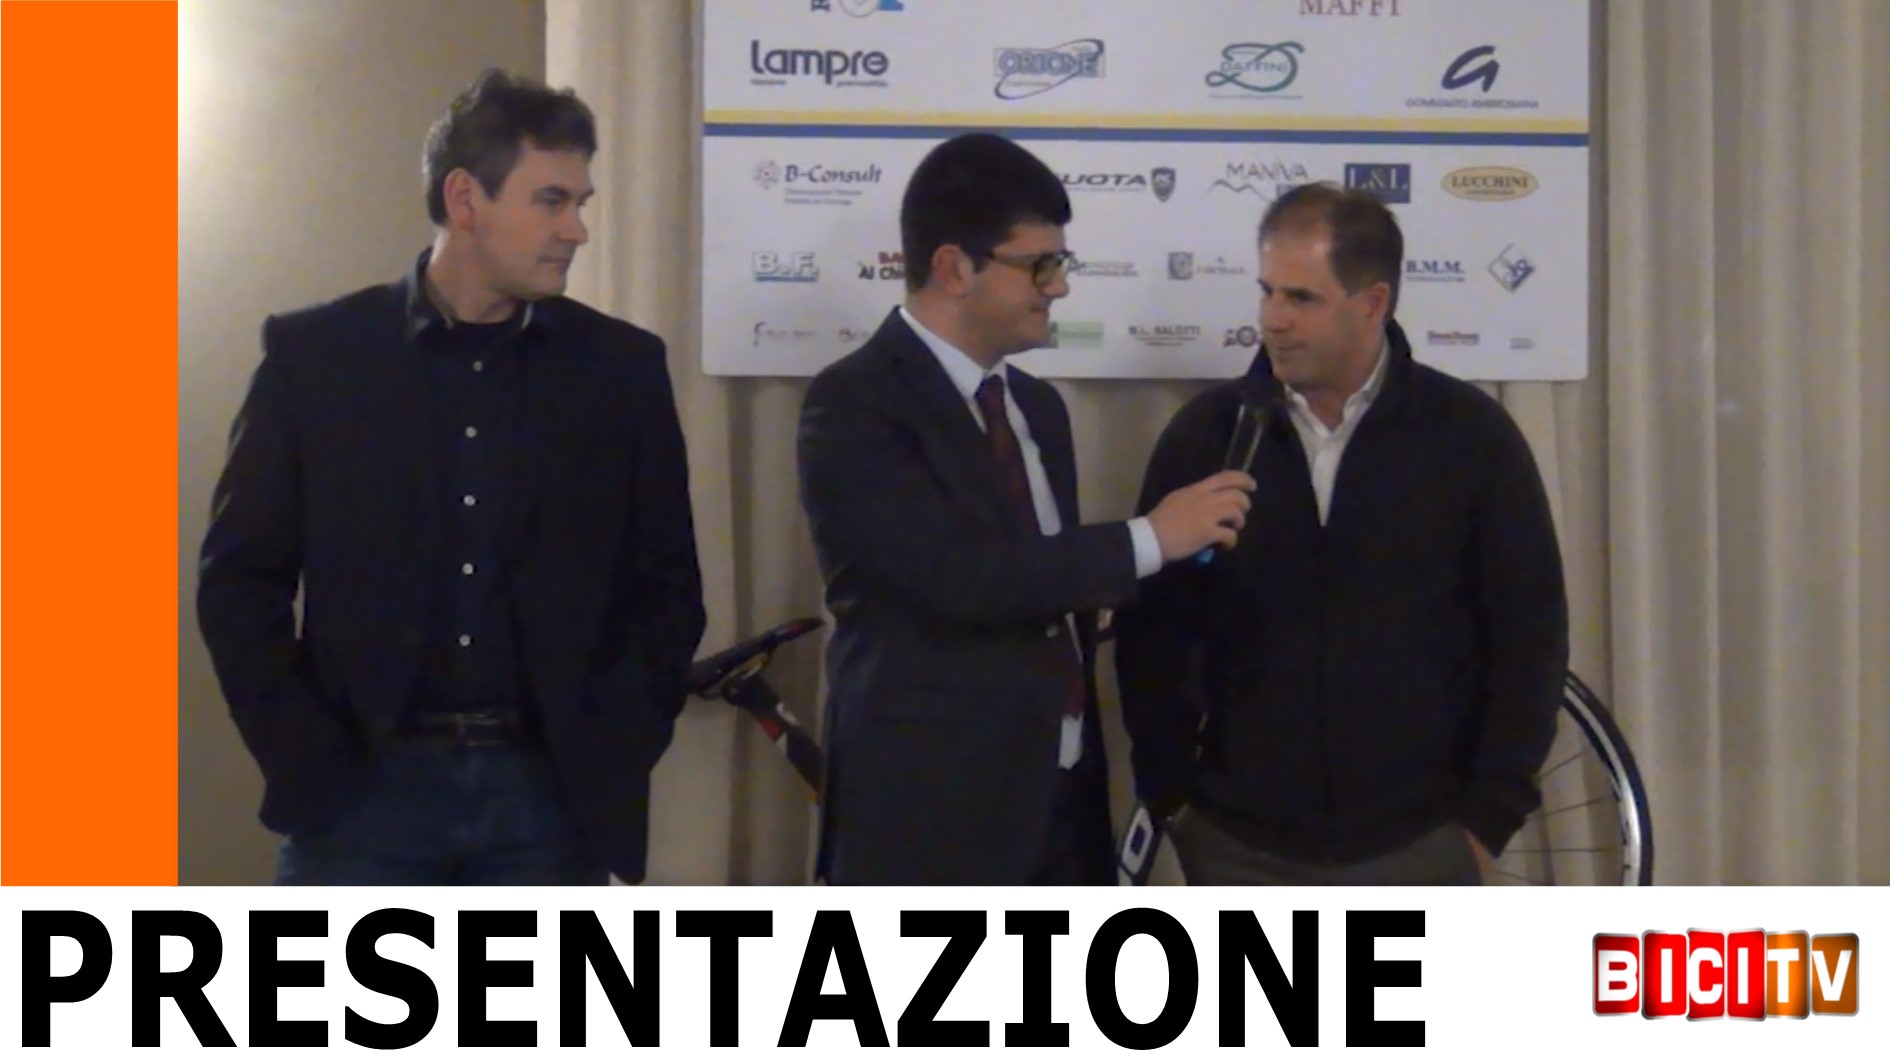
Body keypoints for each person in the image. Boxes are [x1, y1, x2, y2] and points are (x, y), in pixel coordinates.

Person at [196, 69, 705, 885]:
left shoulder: (621, 370)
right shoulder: (316, 358)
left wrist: (616, 738)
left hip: (548, 801)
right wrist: (302, 751)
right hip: (358, 796)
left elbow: (668, 586)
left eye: (581, 202)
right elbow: (238, 578)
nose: (576, 230)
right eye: (551, 201)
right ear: (465, 197)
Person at [796, 132, 1255, 885]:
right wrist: (1149, 539)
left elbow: (1049, 593)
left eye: (1062, 263)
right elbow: (958, 578)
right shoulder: (853, 403)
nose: (1060, 287)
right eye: (1039, 265)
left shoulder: (1039, 408)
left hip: (1063, 802)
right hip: (930, 817)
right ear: (954, 268)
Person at [1115, 182, 1568, 886]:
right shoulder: (1207, 436)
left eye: (1301, 298)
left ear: (1373, 303)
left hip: (1421, 840)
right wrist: (1171, 790)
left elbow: (1528, 636)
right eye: (1267, 291)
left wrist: (1488, 819)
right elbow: (1154, 630)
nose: (1272, 319)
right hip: (1238, 844)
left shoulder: (1470, 437)